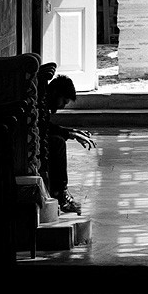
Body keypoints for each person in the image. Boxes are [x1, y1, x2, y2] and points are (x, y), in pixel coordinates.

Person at [36, 62, 96, 214]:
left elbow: (46, 125)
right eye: (63, 101)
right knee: (57, 143)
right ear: (55, 92)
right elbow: (43, 128)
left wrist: (71, 132)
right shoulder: (39, 100)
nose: (62, 106)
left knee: (57, 140)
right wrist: (69, 134)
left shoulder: (43, 100)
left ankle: (60, 192)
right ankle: (60, 193)